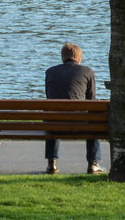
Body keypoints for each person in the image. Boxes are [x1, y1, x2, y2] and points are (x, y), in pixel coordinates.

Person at [44, 41, 102, 174]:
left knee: (52, 116)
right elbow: (91, 100)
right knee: (95, 121)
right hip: (79, 123)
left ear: (62, 58)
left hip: (55, 123)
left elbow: (49, 96)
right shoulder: (88, 72)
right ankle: (93, 164)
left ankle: (52, 163)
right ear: (79, 59)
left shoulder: (50, 72)